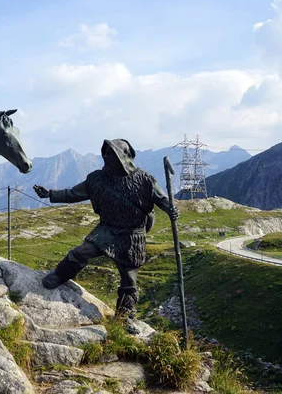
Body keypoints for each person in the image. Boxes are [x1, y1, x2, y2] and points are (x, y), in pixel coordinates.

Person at [33, 139, 179, 333]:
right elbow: (73, 194)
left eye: (112, 153)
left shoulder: (145, 180)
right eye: (106, 153)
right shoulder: (96, 179)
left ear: (124, 156)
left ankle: (125, 316)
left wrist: (171, 209)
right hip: (107, 229)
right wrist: (50, 194)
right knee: (82, 251)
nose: (107, 157)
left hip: (132, 236)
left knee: (129, 280)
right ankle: (60, 274)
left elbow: (161, 200)